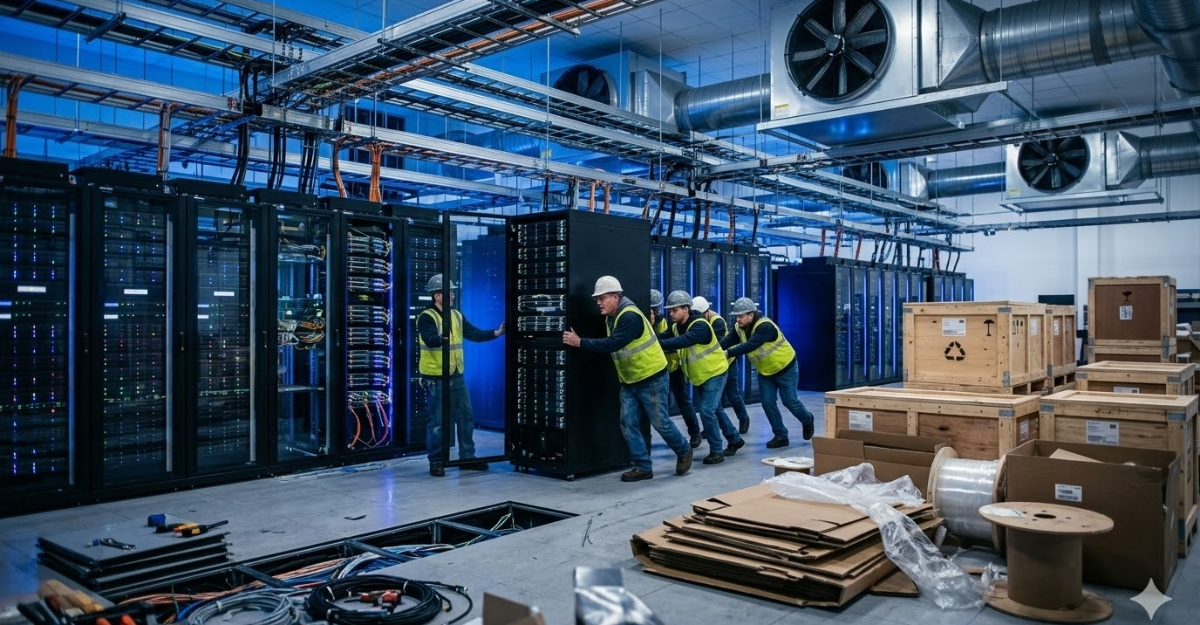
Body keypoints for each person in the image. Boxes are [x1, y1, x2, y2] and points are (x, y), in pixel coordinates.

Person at [563, 276, 693, 482]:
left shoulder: (629, 317)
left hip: (651, 376)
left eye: (602, 298)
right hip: (631, 379)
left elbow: (613, 344)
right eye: (597, 299)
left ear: (616, 296)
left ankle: (684, 449)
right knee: (627, 422)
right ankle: (642, 466)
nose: (598, 302)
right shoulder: (612, 317)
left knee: (660, 423)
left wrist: (580, 342)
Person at [417, 273, 505, 477]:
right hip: (436, 378)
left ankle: (467, 458)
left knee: (466, 416)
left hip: (456, 376)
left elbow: (473, 333)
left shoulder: (456, 315)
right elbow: (430, 339)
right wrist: (441, 338)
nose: (453, 296)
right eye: (449, 293)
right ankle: (436, 462)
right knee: (437, 422)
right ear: (437, 295)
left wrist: (496, 333)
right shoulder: (426, 317)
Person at [657, 291, 745, 465]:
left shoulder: (700, 325)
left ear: (686, 309)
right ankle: (734, 439)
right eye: (670, 310)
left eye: (675, 310)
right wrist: (648, 339)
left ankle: (717, 451)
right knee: (715, 410)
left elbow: (682, 341)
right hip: (700, 375)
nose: (671, 314)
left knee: (706, 410)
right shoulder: (675, 327)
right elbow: (664, 337)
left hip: (715, 371)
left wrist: (654, 345)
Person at [720, 297, 815, 448]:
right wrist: (714, 350)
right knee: (767, 403)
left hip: (785, 367)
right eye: (736, 316)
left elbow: (750, 345)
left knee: (789, 401)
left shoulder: (765, 326)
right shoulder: (740, 328)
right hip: (765, 372)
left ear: (751, 315)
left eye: (741, 316)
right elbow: (728, 341)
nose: (738, 319)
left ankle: (807, 419)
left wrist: (727, 353)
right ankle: (781, 436)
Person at [649, 289, 703, 449]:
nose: (654, 312)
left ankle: (694, 433)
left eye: (655, 309)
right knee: (658, 406)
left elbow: (673, 343)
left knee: (683, 401)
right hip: (656, 370)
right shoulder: (647, 323)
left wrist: (659, 345)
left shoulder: (668, 324)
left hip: (673, 368)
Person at [692, 295, 753, 435]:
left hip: (727, 363)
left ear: (706, 312)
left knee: (733, 394)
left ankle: (743, 419)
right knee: (713, 402)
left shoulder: (717, 321)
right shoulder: (700, 321)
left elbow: (715, 344)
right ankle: (711, 428)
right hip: (711, 365)